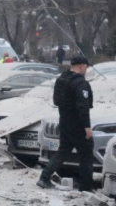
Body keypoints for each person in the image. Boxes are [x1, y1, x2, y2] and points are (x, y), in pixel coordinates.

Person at [36, 56, 95, 191]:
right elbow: (83, 107)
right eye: (86, 67)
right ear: (81, 66)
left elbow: (57, 101)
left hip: (64, 121)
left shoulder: (61, 79)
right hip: (78, 124)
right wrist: (87, 127)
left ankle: (44, 177)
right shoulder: (80, 83)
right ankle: (86, 187)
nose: (87, 69)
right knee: (86, 153)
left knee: (63, 151)